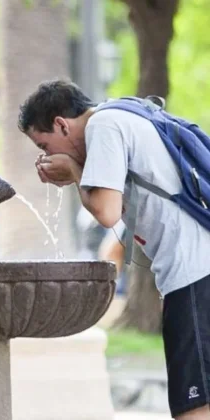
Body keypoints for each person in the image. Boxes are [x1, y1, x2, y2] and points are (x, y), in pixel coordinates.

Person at [18, 79, 210, 420]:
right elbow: (119, 207)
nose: (48, 155)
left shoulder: (104, 126)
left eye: (45, 145)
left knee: (193, 405)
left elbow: (106, 213)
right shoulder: (124, 114)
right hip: (199, 268)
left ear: (62, 124)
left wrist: (75, 171)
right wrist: (79, 173)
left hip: (193, 273)